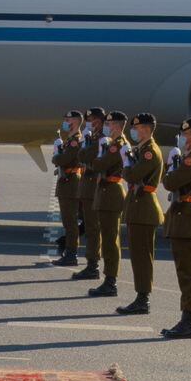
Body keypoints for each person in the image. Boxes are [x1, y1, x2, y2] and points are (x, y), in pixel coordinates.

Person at [160, 116, 191, 339]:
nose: (184, 138)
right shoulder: (190, 157)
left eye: (187, 134)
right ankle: (186, 318)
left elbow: (170, 182)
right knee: (185, 271)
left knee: (189, 273)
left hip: (188, 219)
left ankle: (190, 321)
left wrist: (171, 166)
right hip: (183, 217)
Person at [117, 112, 163, 315]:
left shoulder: (149, 152)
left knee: (142, 256)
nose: (134, 131)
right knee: (137, 255)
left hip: (145, 208)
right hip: (138, 206)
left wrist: (126, 166)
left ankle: (143, 299)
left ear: (146, 129)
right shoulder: (142, 149)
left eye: (137, 128)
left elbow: (133, 174)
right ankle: (140, 296)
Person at [87, 111, 129, 298]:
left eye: (110, 125)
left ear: (118, 126)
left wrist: (98, 158)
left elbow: (98, 165)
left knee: (111, 241)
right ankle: (108, 279)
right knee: (108, 239)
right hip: (107, 193)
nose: (108, 128)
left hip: (112, 194)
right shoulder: (113, 144)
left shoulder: (118, 145)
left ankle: (111, 281)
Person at [71, 108, 106, 281]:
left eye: (93, 119)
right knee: (90, 228)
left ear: (100, 120)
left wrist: (84, 150)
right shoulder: (92, 137)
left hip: (94, 188)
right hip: (87, 186)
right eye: (89, 119)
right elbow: (82, 156)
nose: (90, 122)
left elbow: (85, 155)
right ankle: (91, 263)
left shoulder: (100, 139)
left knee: (93, 229)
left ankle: (93, 266)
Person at [51, 111, 84, 267]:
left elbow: (64, 159)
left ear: (76, 122)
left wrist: (56, 156)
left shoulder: (75, 141)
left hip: (70, 183)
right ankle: (70, 253)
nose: (65, 122)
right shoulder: (70, 140)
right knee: (68, 221)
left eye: (68, 119)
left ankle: (71, 254)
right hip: (67, 182)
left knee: (70, 222)